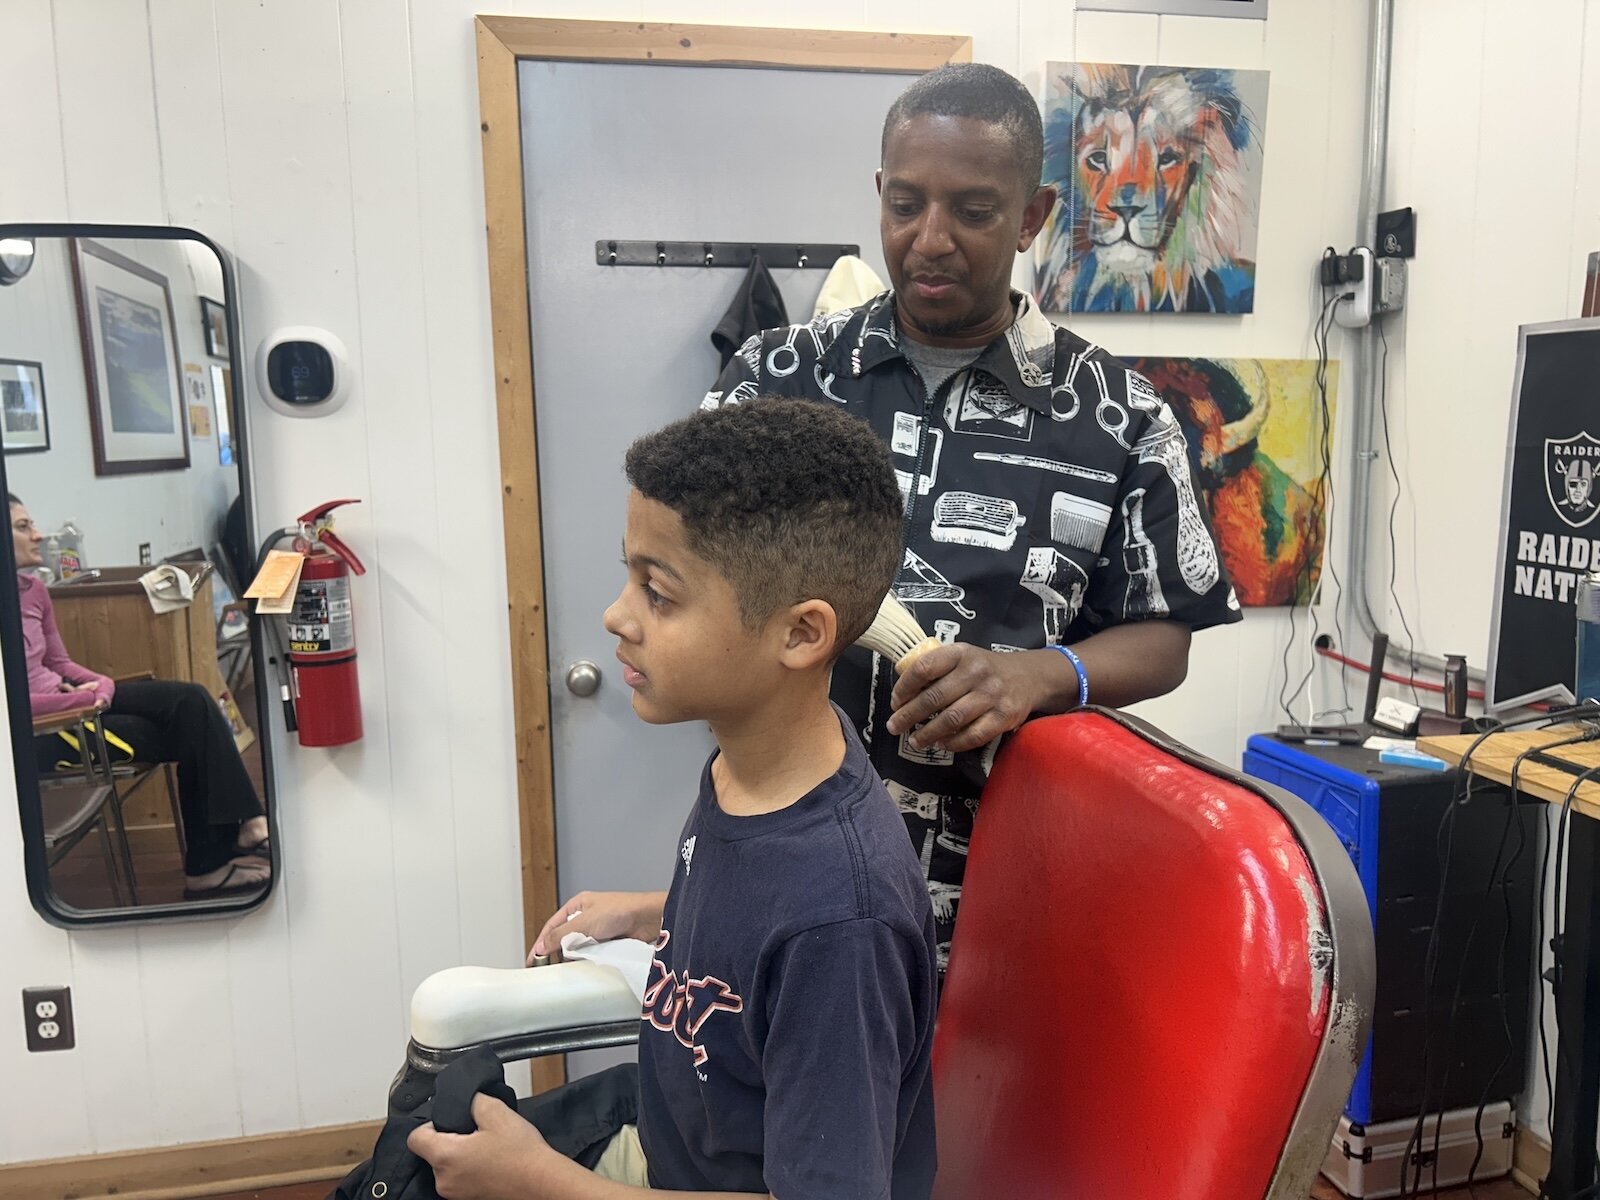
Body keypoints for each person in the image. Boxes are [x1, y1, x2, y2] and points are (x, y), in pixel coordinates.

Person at [703, 63, 1243, 961]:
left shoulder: (1123, 418)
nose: (931, 239)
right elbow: (687, 575)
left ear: (1033, 216)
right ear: (879, 194)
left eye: (974, 211)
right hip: (773, 864)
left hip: (999, 890)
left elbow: (1165, 638)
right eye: (906, 204)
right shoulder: (776, 382)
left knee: (974, 1104)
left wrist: (1035, 676)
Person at [409, 400, 939, 1199]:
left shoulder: (842, 928)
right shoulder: (750, 768)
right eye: (630, 576)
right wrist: (658, 910)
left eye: (658, 593)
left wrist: (538, 1181)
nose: (616, 616)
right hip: (665, 1144)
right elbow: (762, 916)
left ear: (800, 635)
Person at [10, 494, 270, 897]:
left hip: (77, 704)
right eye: (23, 526)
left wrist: (102, 687)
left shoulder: (32, 592)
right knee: (190, 732)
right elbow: (12, 706)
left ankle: (239, 834)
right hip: (43, 731)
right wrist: (79, 700)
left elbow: (61, 662)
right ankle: (213, 861)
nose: (38, 534)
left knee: (191, 701)